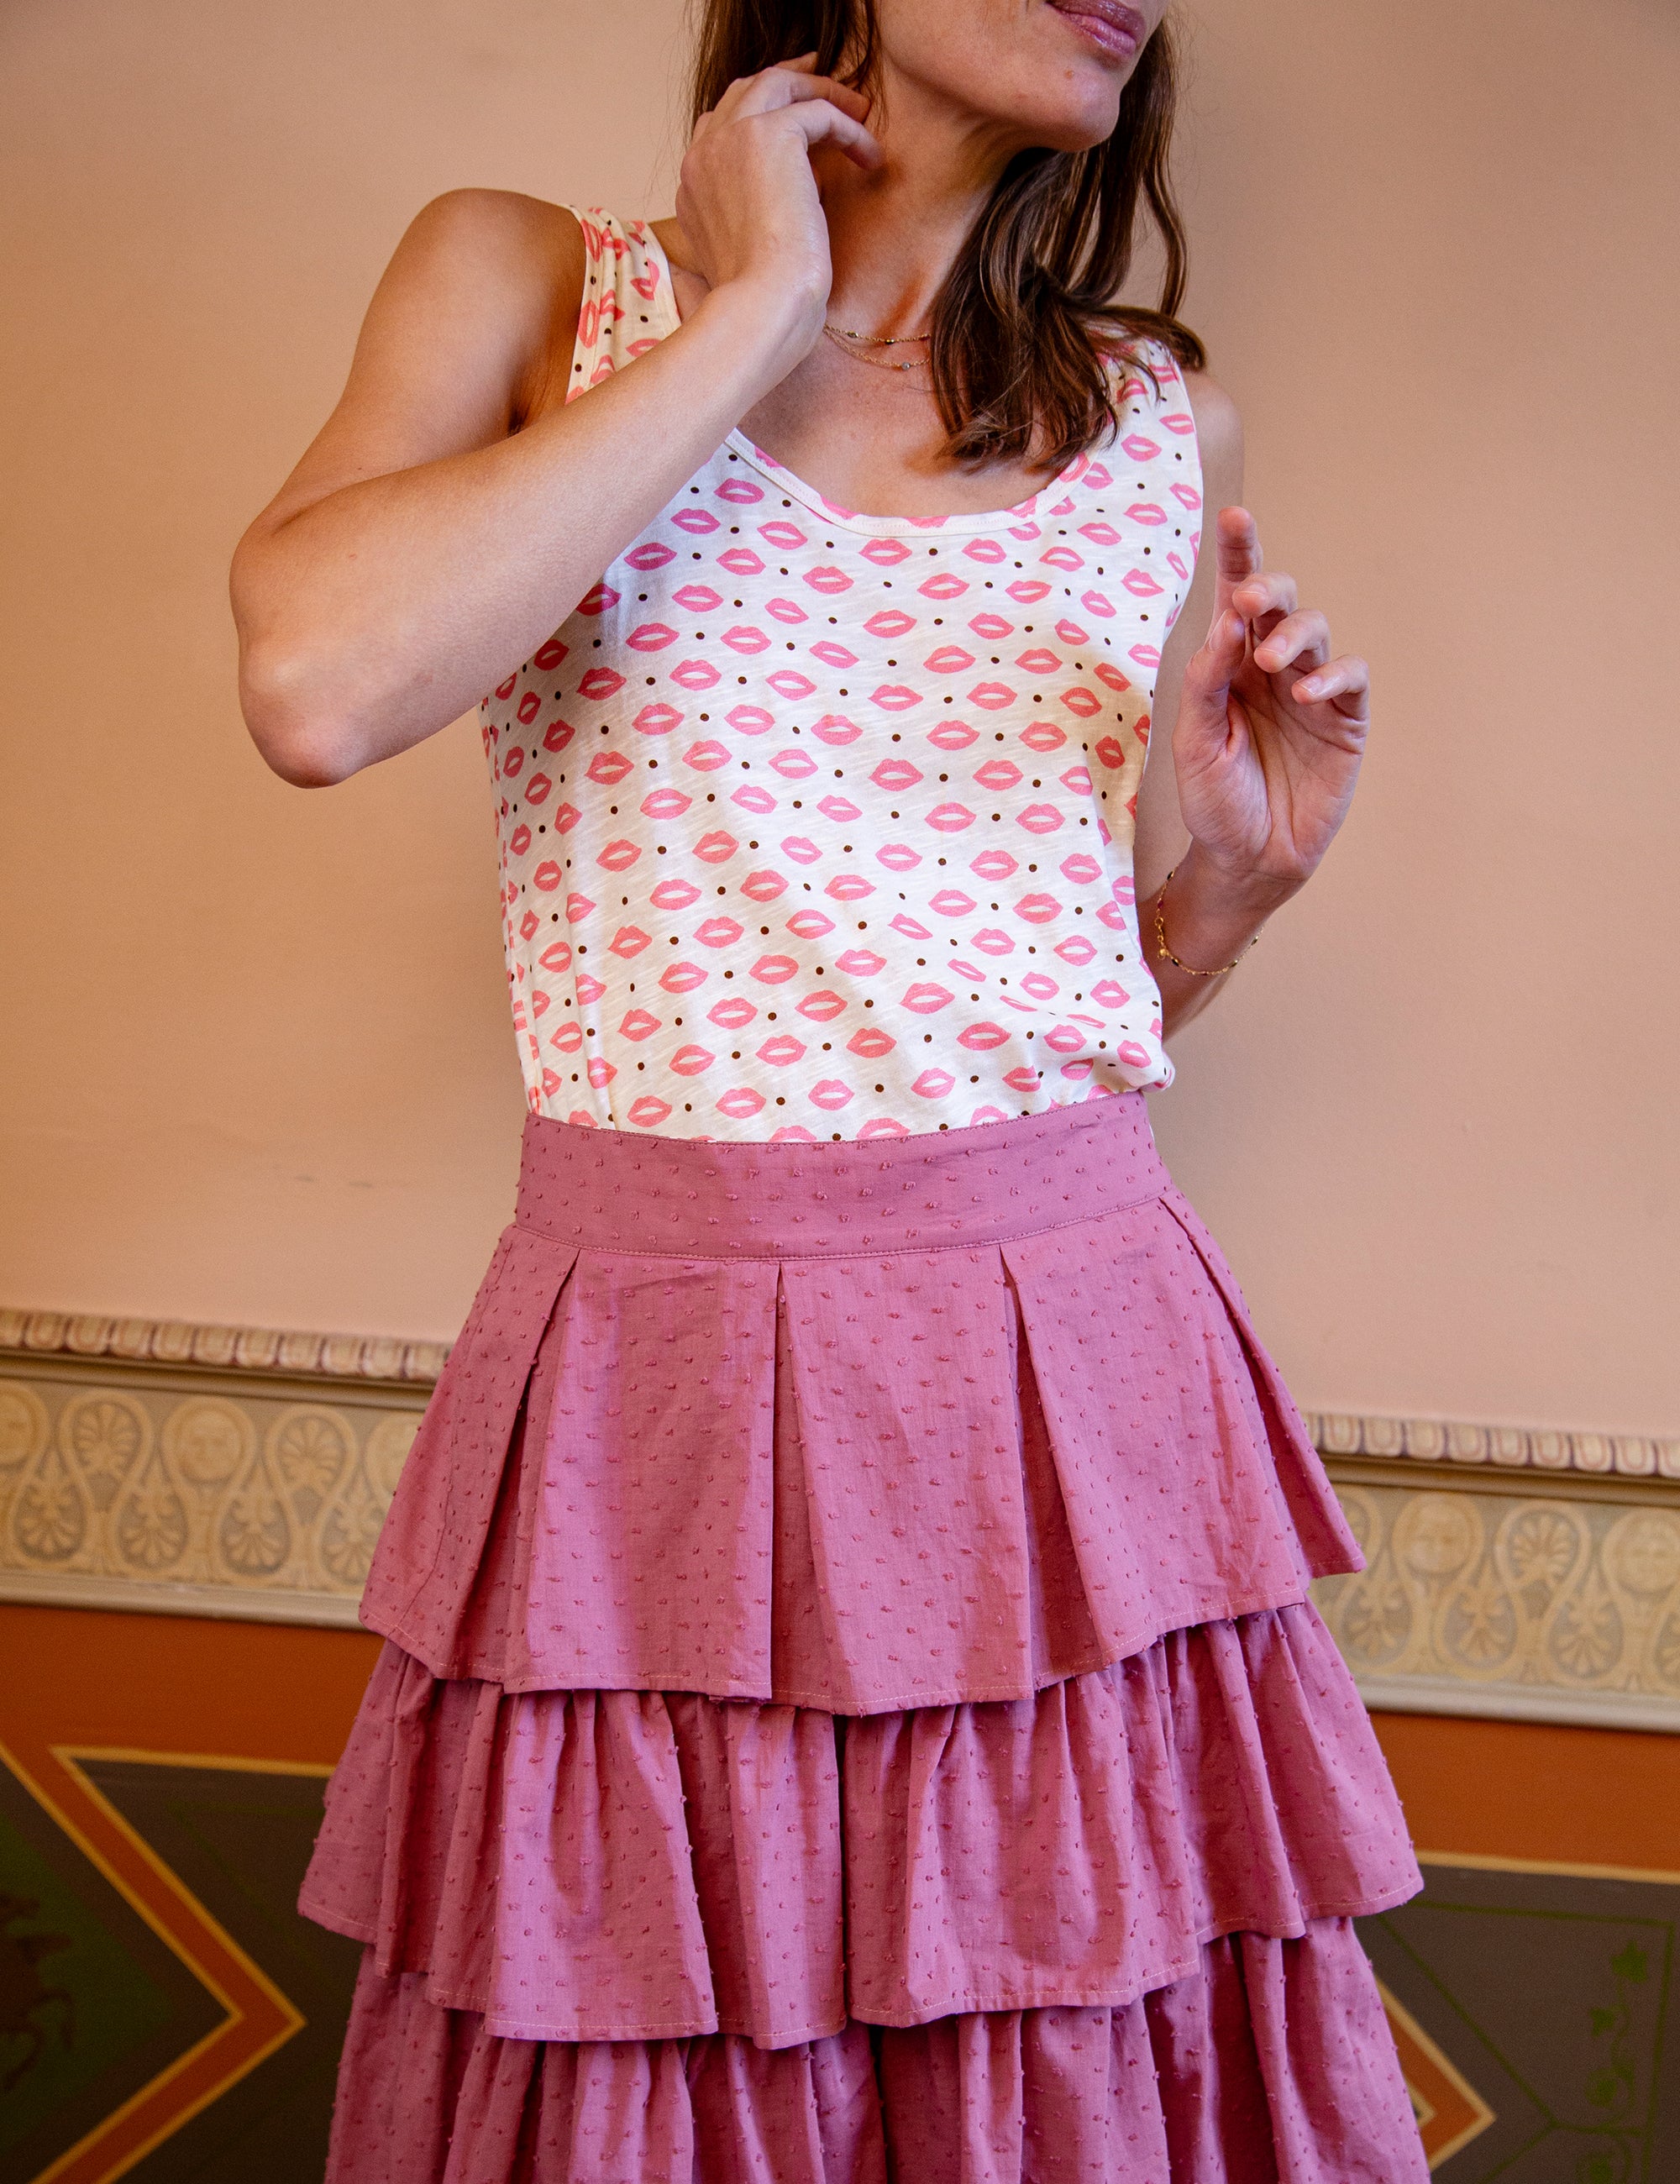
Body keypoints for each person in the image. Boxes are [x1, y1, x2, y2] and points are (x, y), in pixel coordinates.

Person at [233, 3, 1426, 2176]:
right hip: (657, 1374)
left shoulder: (1162, 423)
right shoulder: (525, 279)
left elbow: (1066, 1003)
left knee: (1063, 2072)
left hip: (1073, 1373)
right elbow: (319, 688)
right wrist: (758, 302)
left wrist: (1235, 890)